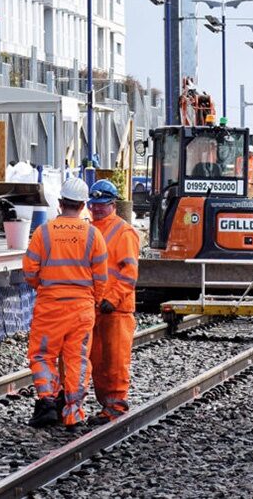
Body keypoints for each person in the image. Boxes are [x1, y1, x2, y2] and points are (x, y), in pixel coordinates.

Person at [23, 178, 109, 428]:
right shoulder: (94, 235)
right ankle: (73, 412)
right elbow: (101, 277)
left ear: (60, 203)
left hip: (50, 306)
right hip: (81, 308)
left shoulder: (44, 232)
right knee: (77, 358)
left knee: (42, 355)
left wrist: (43, 286)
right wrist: (95, 299)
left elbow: (29, 270)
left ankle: (47, 402)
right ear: (84, 205)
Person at [87, 180, 139, 421]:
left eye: (102, 205)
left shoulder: (123, 232)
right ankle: (106, 405)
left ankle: (116, 405)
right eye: (93, 205)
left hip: (116, 309)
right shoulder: (90, 230)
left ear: (113, 204)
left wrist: (113, 299)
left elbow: (129, 272)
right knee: (97, 361)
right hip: (95, 307)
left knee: (115, 360)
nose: (97, 209)